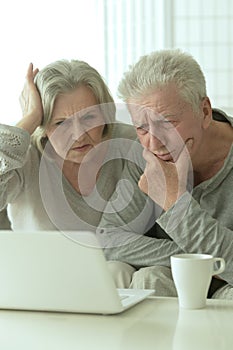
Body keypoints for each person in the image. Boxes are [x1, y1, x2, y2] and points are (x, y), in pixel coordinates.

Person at [97, 49, 233, 299]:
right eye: (141, 127)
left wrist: (175, 203)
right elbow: (109, 238)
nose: (154, 143)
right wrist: (192, 259)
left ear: (204, 111)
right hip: (177, 283)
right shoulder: (148, 156)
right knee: (145, 277)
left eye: (167, 123)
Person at [0, 59, 139, 239]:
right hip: (40, 266)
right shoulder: (25, 157)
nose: (78, 135)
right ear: (43, 126)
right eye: (61, 123)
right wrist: (30, 117)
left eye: (88, 117)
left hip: (115, 266)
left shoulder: (129, 144)